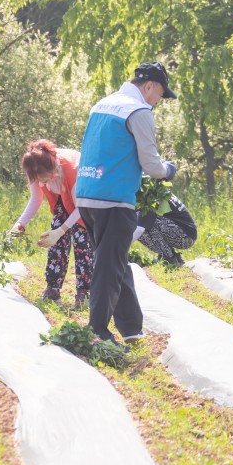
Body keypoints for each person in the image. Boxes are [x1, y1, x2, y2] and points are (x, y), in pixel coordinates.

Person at [75, 61, 177, 346]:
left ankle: (131, 327)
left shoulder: (103, 104)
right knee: (108, 267)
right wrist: (169, 170)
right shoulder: (139, 110)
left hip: (86, 194)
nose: (158, 101)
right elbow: (151, 164)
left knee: (115, 259)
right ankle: (97, 331)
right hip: (113, 199)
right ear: (149, 87)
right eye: (160, 94)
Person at [11, 139, 93, 307]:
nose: (43, 182)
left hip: (84, 200)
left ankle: (84, 293)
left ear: (52, 169)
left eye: (45, 178)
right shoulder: (34, 168)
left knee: (81, 241)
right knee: (55, 241)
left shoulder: (71, 168)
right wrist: (20, 223)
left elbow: (81, 208)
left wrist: (62, 229)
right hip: (63, 199)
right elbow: (36, 199)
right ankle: (52, 289)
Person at [135, 192, 197, 266]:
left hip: (185, 237)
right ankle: (172, 255)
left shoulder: (150, 195)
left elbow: (139, 229)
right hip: (185, 234)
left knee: (141, 222)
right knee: (142, 220)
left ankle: (168, 257)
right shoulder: (157, 189)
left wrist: (121, 248)